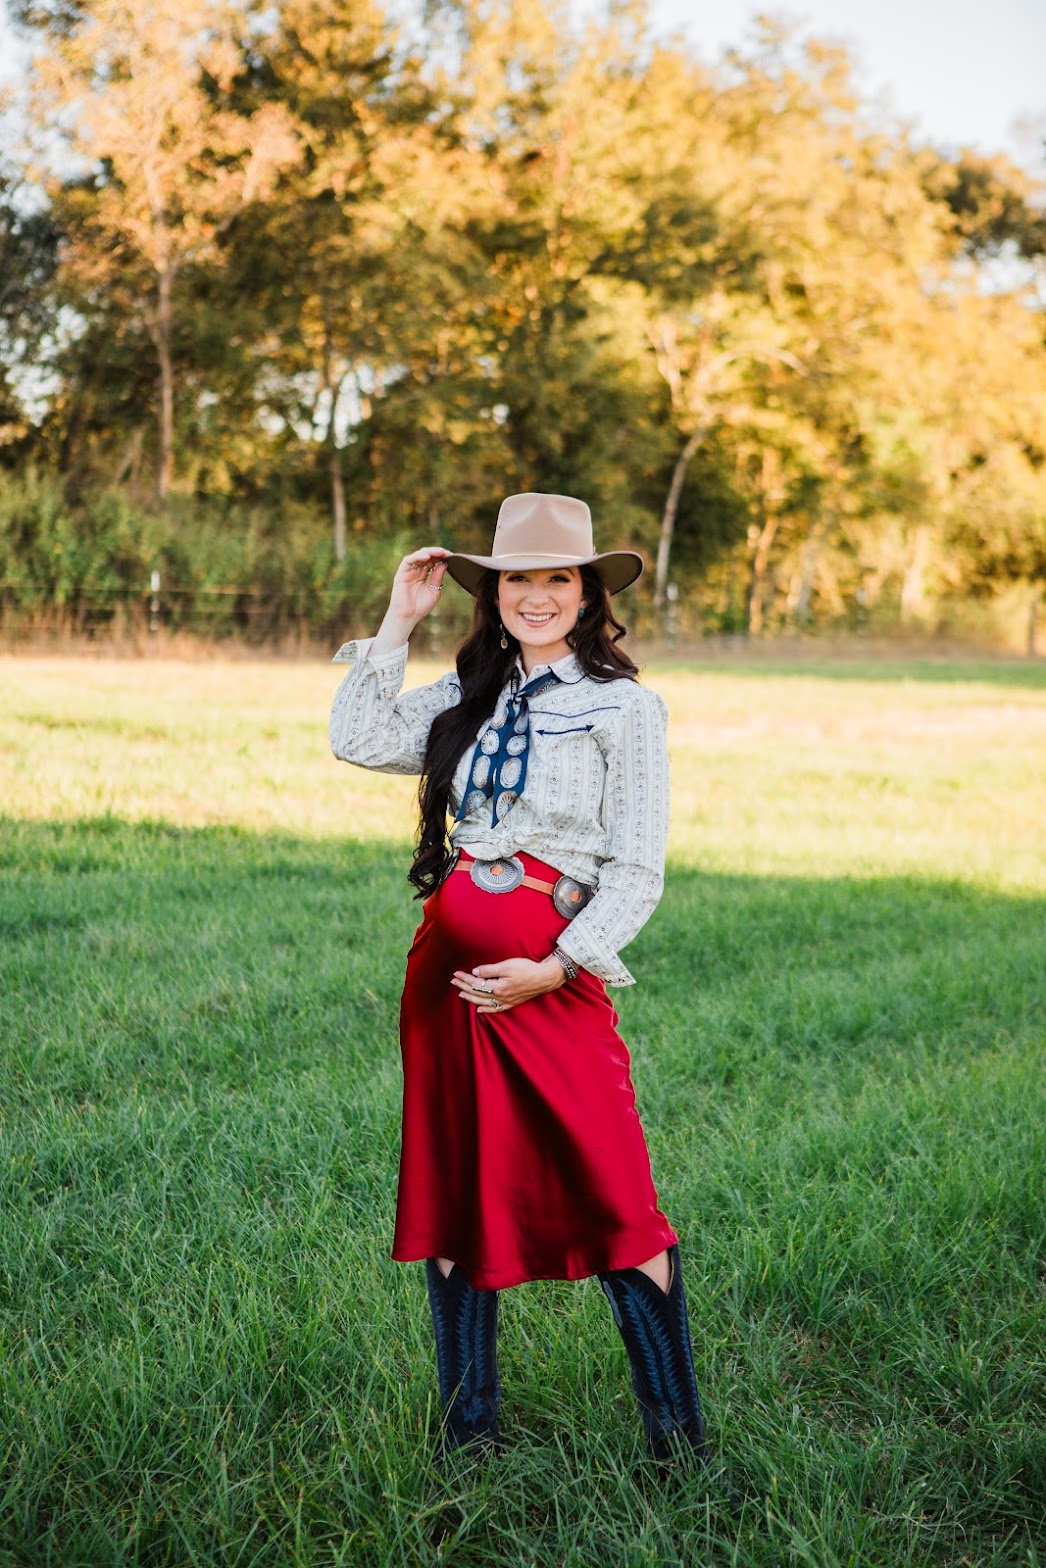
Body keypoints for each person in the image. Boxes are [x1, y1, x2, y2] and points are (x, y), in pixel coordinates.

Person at [330, 492, 733, 1493]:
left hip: (550, 985)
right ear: (494, 591)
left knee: (617, 1202)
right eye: (519, 578)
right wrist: (396, 623)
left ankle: (678, 1451)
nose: (537, 595)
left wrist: (556, 964)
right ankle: (467, 1439)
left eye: (558, 577)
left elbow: (636, 868)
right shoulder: (468, 690)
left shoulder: (624, 707)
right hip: (449, 986)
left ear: (589, 591)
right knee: (458, 1194)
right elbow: (358, 737)